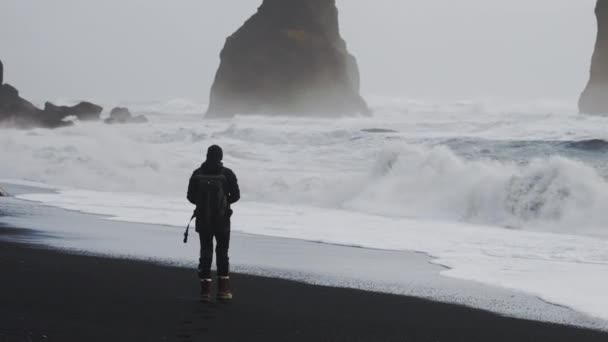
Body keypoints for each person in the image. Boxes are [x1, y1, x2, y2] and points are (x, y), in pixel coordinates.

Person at [187, 145, 240, 302]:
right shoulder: (227, 174)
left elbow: (190, 197)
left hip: (203, 220)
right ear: (221, 157)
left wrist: (202, 204)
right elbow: (236, 196)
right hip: (222, 220)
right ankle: (223, 291)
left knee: (205, 251)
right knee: (222, 251)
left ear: (207, 155)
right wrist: (224, 203)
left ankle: (205, 292)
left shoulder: (197, 173)